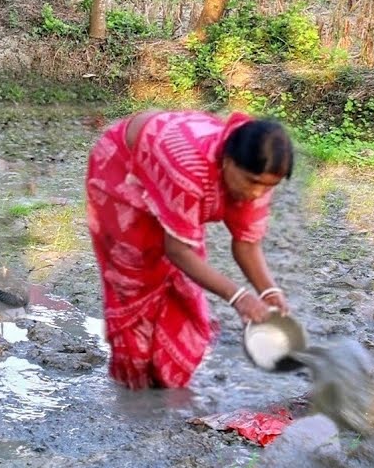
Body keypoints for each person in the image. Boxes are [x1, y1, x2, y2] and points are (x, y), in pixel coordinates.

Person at [85, 110, 294, 390]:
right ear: (228, 161)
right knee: (135, 283)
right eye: (252, 182)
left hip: (173, 178)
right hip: (124, 175)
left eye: (268, 186)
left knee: (183, 289)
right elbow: (178, 251)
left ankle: (165, 380)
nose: (257, 193)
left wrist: (269, 291)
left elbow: (246, 243)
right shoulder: (191, 167)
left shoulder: (257, 173)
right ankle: (133, 384)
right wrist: (239, 298)